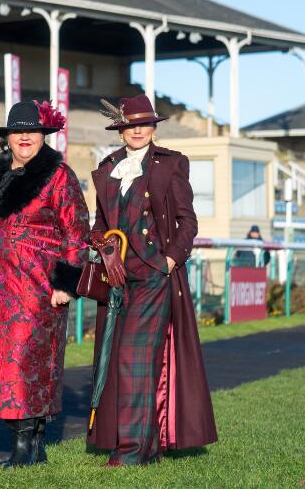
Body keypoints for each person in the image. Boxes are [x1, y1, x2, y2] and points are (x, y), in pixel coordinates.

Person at [89, 94, 217, 466]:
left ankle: (132, 449)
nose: (138, 130)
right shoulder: (108, 166)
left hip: (154, 277)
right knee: (115, 359)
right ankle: (144, 447)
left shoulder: (171, 164)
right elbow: (98, 225)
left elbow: (187, 220)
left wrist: (170, 260)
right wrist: (103, 245)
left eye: (144, 123)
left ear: (153, 127)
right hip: (116, 278)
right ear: (122, 129)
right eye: (131, 125)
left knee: (134, 357)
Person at [0, 101, 89, 466]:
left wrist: (65, 283)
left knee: (27, 365)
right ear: (7, 137)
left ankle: (24, 449)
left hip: (37, 288)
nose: (24, 137)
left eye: (32, 131)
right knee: (2, 368)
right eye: (17, 131)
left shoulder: (58, 175)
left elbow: (77, 230)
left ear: (43, 136)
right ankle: (32, 447)